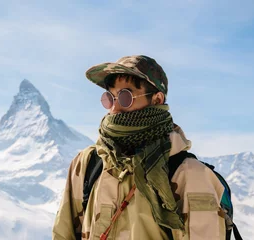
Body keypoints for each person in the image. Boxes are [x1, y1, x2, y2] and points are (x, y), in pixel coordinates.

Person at [52, 55, 226, 240]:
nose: (115, 108)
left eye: (125, 97)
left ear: (157, 99)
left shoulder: (188, 174)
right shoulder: (87, 163)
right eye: (110, 98)